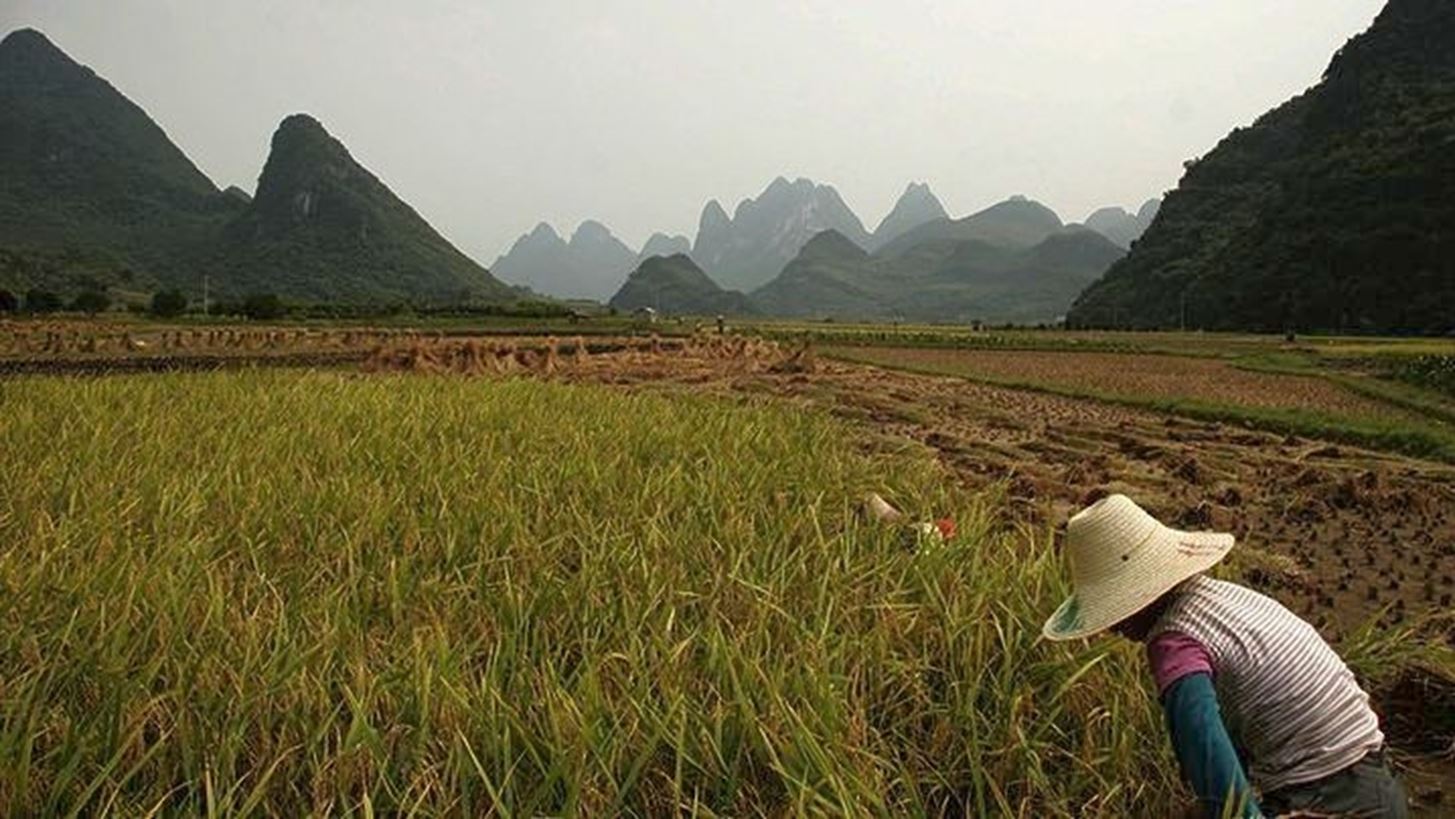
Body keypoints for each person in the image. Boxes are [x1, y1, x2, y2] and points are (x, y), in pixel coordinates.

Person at [1042, 494, 1408, 818]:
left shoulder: (1174, 644)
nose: (1111, 626)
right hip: (1376, 780)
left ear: (1141, 596)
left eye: (1114, 609)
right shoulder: (1225, 597)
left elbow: (1207, 757)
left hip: (1330, 799)